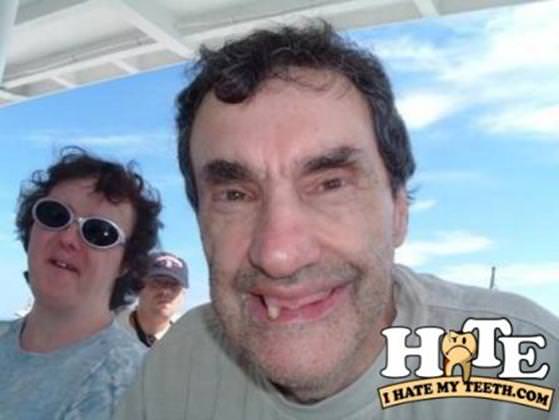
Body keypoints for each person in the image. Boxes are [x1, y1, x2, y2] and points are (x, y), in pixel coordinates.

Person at [115, 22, 559, 419]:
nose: (279, 255)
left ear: (399, 210)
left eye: (330, 184)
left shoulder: (526, 363)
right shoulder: (180, 365)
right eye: (235, 195)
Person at [0, 147, 162, 419]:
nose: (68, 238)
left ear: (125, 263)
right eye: (55, 215)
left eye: (99, 233)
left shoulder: (127, 386)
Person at [116, 251, 188, 347]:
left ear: (183, 294)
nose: (165, 291)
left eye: (174, 285)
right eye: (157, 283)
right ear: (138, 288)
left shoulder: (188, 340)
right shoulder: (110, 331)